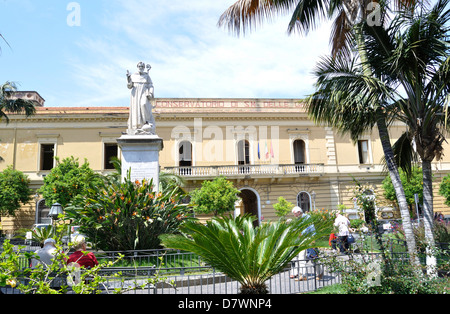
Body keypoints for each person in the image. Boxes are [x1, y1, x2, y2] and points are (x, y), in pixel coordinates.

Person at [290, 206, 324, 281]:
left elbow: (312, 229)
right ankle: (303, 275)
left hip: (309, 239)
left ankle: (320, 272)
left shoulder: (307, 217)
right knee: (301, 257)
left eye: (295, 213)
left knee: (313, 258)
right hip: (302, 240)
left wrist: (312, 240)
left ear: (299, 212)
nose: (294, 215)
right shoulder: (298, 219)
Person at [126, 62, 156, 135]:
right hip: (135, 94)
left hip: (144, 92)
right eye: (139, 66)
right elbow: (129, 86)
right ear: (137, 67)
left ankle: (147, 122)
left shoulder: (147, 76)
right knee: (136, 109)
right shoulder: (133, 75)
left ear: (144, 67)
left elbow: (151, 85)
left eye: (142, 66)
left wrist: (150, 93)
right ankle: (137, 126)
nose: (141, 67)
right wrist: (128, 78)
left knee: (144, 104)